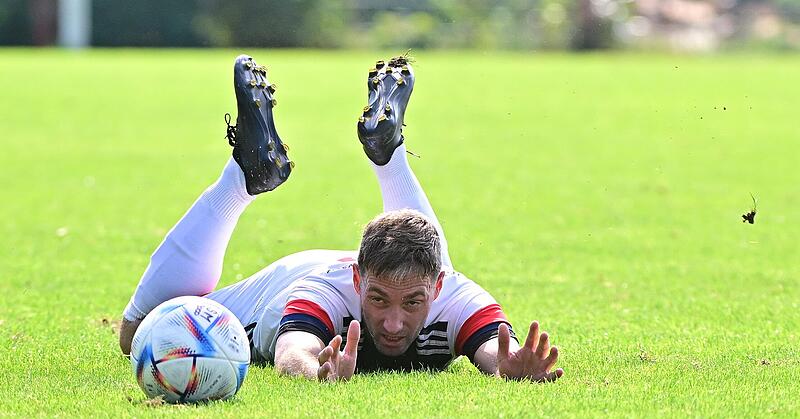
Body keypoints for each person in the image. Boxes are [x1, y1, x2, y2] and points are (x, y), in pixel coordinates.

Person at [119, 54, 564, 383]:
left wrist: (510, 366)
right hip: (288, 280)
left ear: (439, 289)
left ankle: (384, 155)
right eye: (377, 300)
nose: (393, 323)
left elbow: (494, 348)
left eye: (412, 303)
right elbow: (293, 353)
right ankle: (242, 180)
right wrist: (316, 372)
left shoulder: (455, 295)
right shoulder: (324, 292)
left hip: (406, 268)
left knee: (432, 259)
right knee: (136, 335)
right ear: (357, 282)